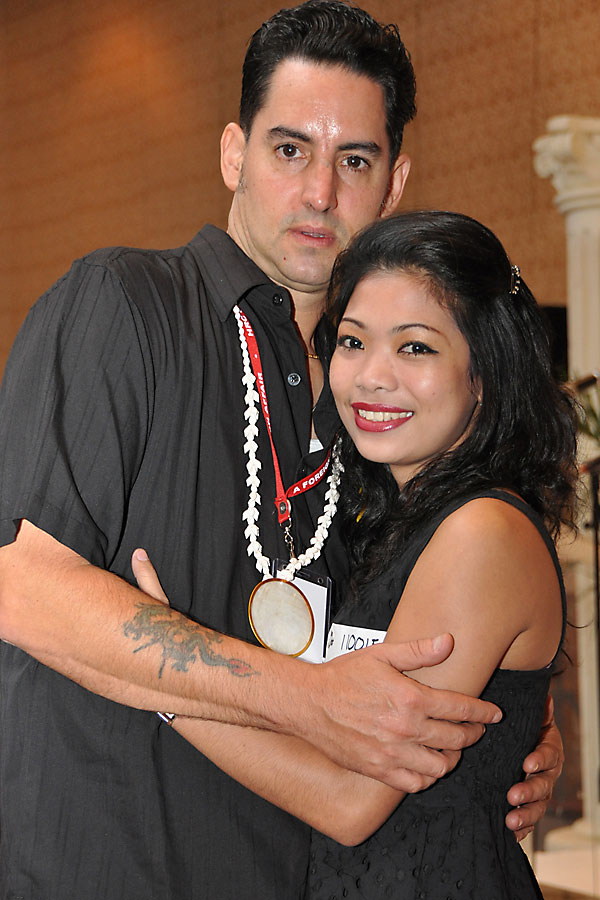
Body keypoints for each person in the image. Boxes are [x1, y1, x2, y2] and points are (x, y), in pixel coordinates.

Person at [0, 2, 562, 898]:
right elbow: (21, 587)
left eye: (355, 161)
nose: (320, 193)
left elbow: (417, 627)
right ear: (235, 154)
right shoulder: (126, 305)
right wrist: (300, 697)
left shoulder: (369, 408)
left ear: (395, 182)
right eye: (290, 149)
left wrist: (508, 723)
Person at [133, 209, 578, 899]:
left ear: (485, 374)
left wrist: (164, 682)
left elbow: (350, 801)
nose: (371, 377)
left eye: (416, 348)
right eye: (352, 341)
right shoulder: (388, 518)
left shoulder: (480, 531)